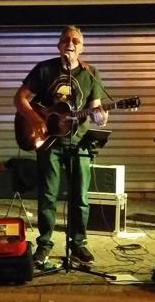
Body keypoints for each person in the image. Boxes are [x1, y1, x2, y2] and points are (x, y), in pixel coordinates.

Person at [14, 26, 107, 269]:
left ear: (82, 47)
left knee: (81, 197)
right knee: (48, 195)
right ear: (58, 45)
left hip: (80, 143)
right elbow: (20, 98)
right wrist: (36, 120)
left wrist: (101, 117)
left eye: (76, 40)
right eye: (65, 40)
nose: (71, 43)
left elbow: (96, 107)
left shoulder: (91, 74)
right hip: (50, 142)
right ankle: (44, 244)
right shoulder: (44, 69)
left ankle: (78, 243)